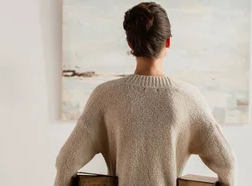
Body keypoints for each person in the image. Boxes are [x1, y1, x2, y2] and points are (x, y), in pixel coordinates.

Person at [55, 2, 235, 186]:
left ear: (130, 43)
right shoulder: (189, 97)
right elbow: (227, 163)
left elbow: (66, 161)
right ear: (168, 42)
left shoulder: (105, 95)